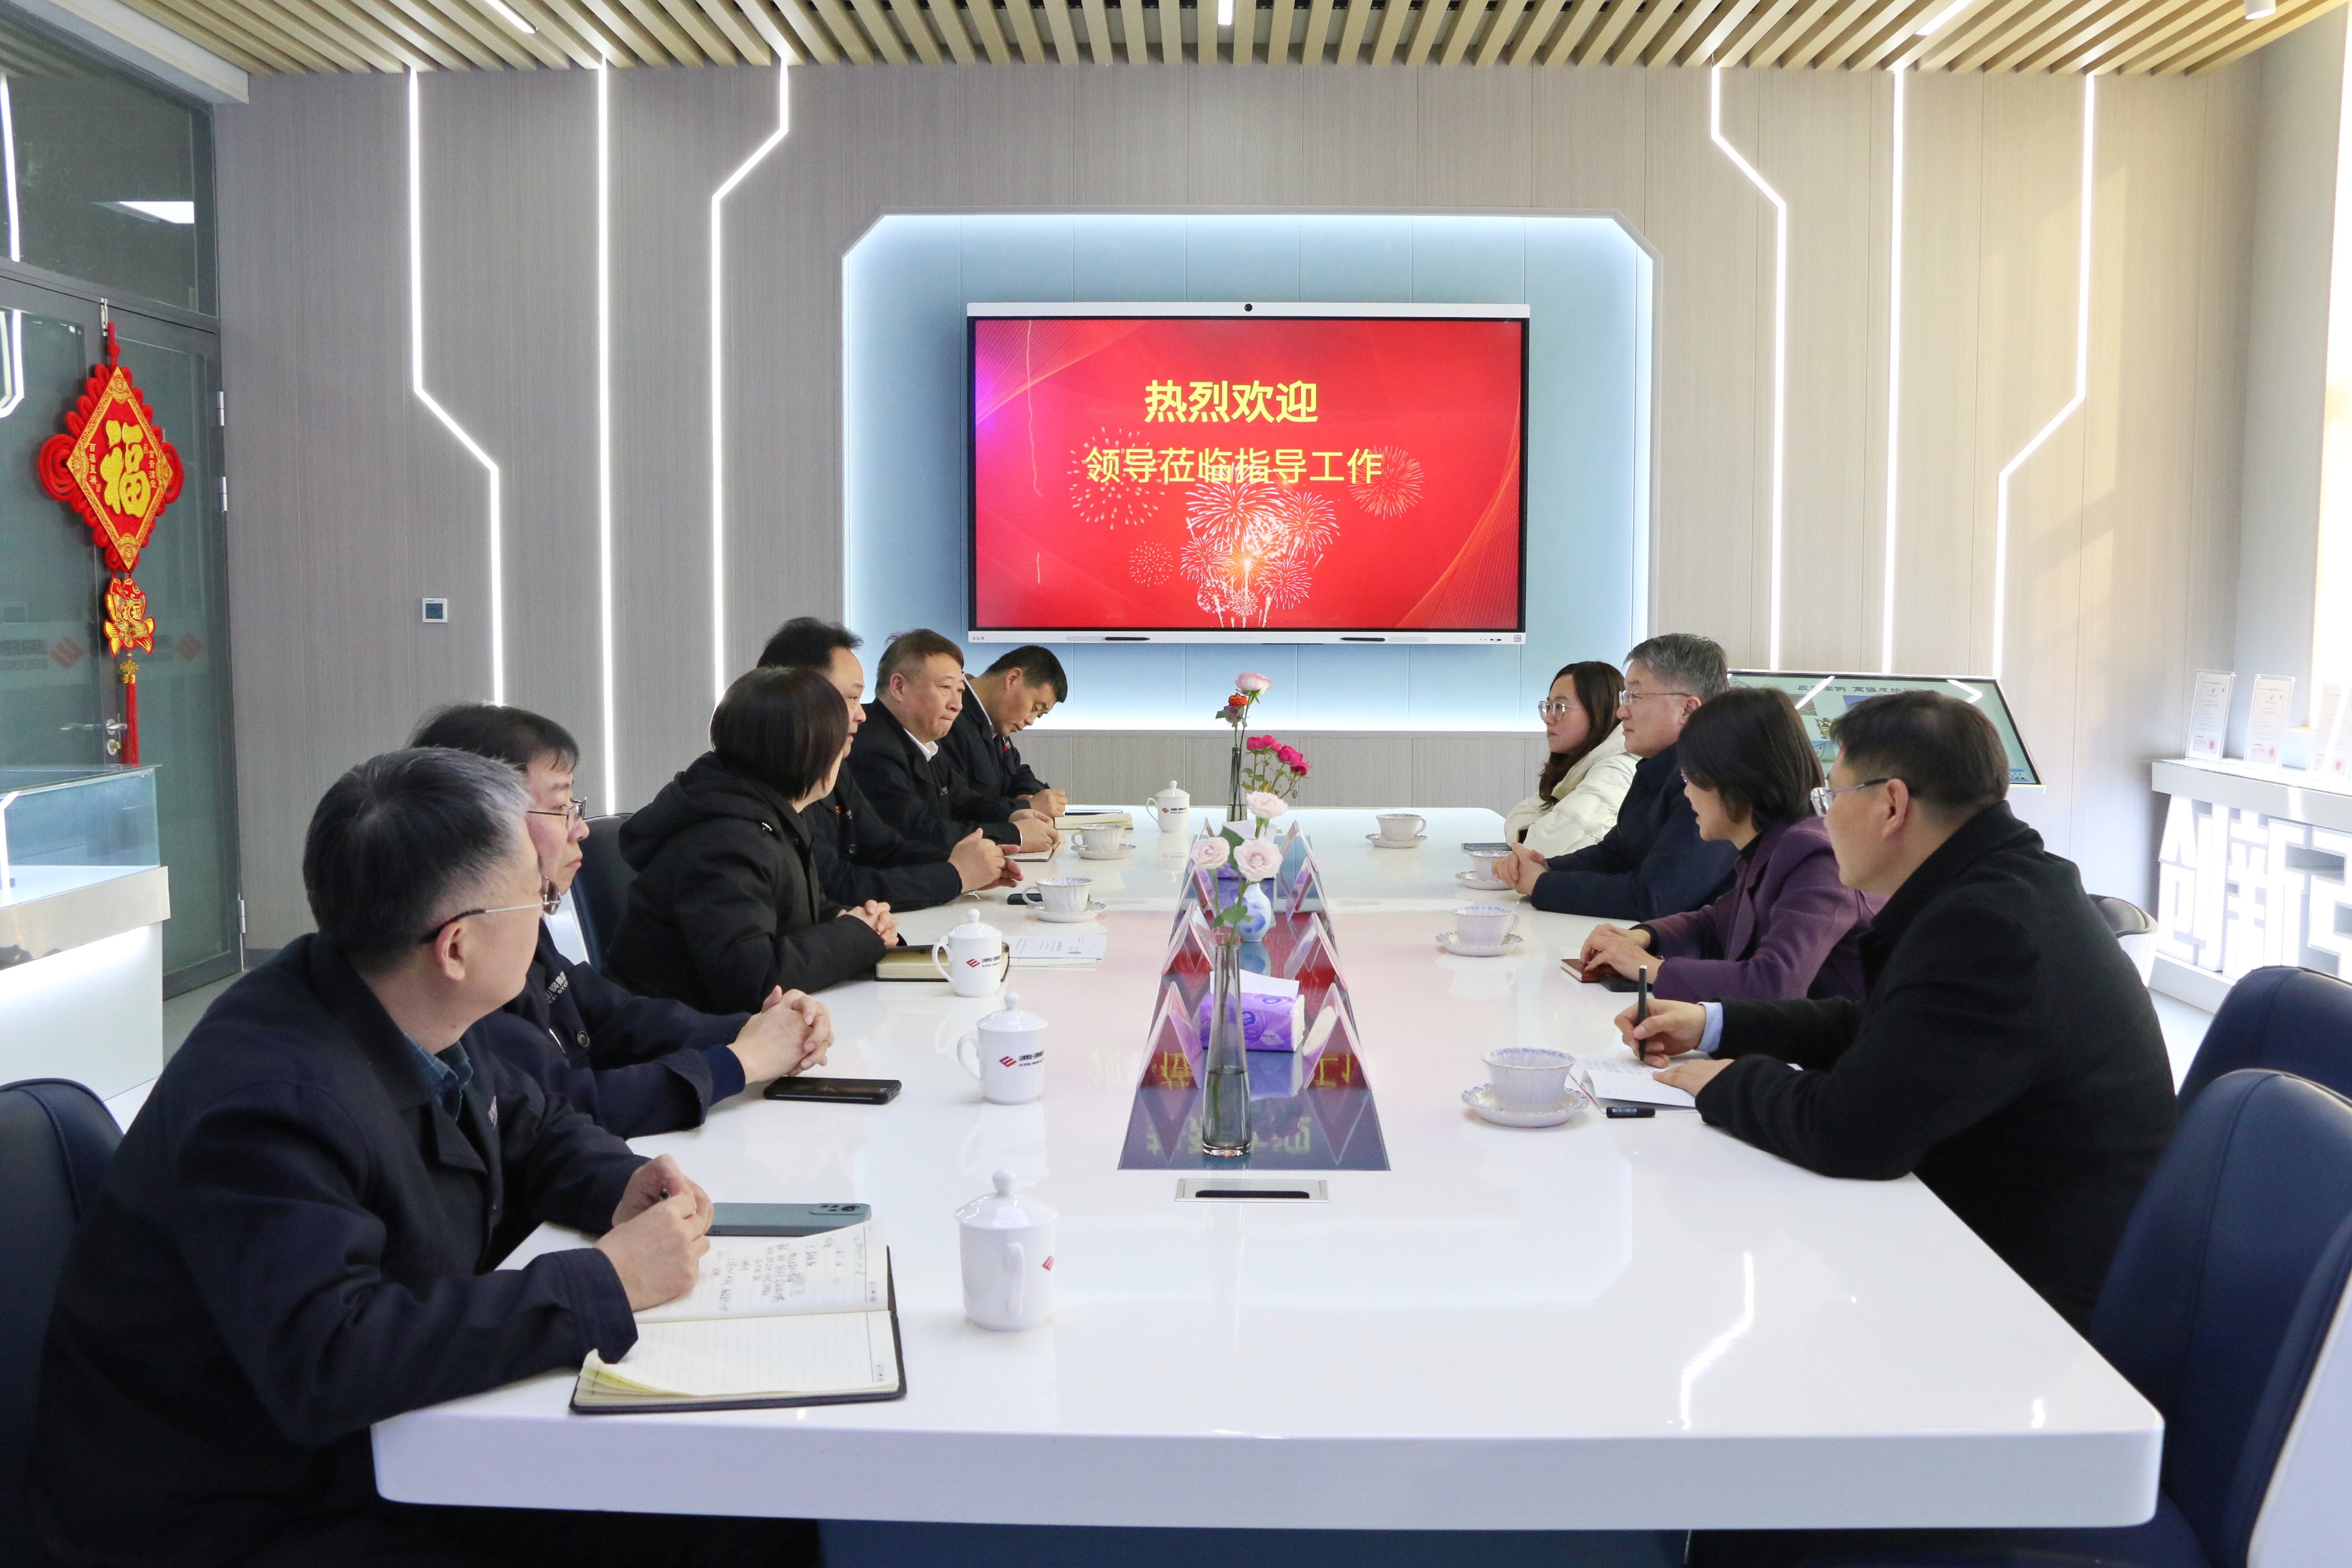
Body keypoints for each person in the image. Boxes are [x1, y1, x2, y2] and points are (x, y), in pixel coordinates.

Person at [28, 749, 798, 1567]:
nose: (546, 918)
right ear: (456, 945)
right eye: (537, 898)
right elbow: (330, 1358)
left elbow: (529, 1121)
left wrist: (619, 1184)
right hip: (239, 1511)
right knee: (705, 1512)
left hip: (371, 1453)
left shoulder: (396, 997)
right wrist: (604, 1282)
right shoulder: (269, 1101)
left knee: (733, 1503)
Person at [1618, 691, 2178, 1333]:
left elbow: (1850, 1131)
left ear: (1891, 804)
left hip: (2030, 1297)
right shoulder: (1997, 884)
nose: (1823, 817)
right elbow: (1879, 1024)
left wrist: (1725, 1082)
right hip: (1995, 1227)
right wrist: (1717, 1023)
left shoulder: (1986, 927)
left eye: (1832, 796)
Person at [408, 702, 834, 1140]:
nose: (580, 829)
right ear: (484, 823)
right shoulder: (464, 959)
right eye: (560, 807)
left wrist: (749, 1030)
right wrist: (740, 1062)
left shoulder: (517, 919)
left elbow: (610, 1015)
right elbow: (562, 1107)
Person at [607, 666, 898, 1010]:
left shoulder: (766, 813)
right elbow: (752, 981)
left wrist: (857, 922)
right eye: (839, 744)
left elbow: (795, 911)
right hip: (675, 1031)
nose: (843, 756)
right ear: (805, 751)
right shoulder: (725, 840)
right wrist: (855, 936)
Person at [1576, 687, 1880, 1003]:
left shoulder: (1816, 858)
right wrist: (1643, 936)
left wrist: (1648, 968)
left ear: (1736, 777)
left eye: (1691, 777)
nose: (1687, 792)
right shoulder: (1773, 846)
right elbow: (1716, 922)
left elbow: (1774, 985)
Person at [757, 616, 1014, 911]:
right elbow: (833, 885)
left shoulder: (832, 764)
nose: (861, 714)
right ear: (796, 697)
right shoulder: (769, 783)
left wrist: (965, 864)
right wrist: (955, 876)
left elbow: (882, 846)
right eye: (852, 697)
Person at [1505, 632, 1740, 919]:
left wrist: (1542, 885)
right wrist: (1546, 867)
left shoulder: (1713, 780)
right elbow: (1616, 854)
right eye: (1624, 697)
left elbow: (1654, 898)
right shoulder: (1658, 767)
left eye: (1634, 697)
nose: (1621, 712)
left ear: (1687, 709)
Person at [845, 628, 1057, 858]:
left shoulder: (924, 743)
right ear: (899, 687)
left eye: (960, 690)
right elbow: (917, 832)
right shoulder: (873, 748)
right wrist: (1015, 835)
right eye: (946, 688)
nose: (957, 704)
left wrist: (1014, 815)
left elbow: (964, 803)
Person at [1504, 660, 1636, 857]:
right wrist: (1531, 832)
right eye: (1549, 706)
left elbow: (1545, 848)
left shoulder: (1616, 769)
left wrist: (1529, 833)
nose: (1548, 718)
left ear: (1599, 710)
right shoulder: (1586, 763)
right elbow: (1520, 816)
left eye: (1559, 707)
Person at [943, 644, 1070, 823]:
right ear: (1012, 678)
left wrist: (1028, 795)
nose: (1030, 721)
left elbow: (1017, 773)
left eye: (1039, 715)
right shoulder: (949, 719)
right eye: (1034, 708)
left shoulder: (995, 725)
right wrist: (1027, 807)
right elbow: (960, 806)